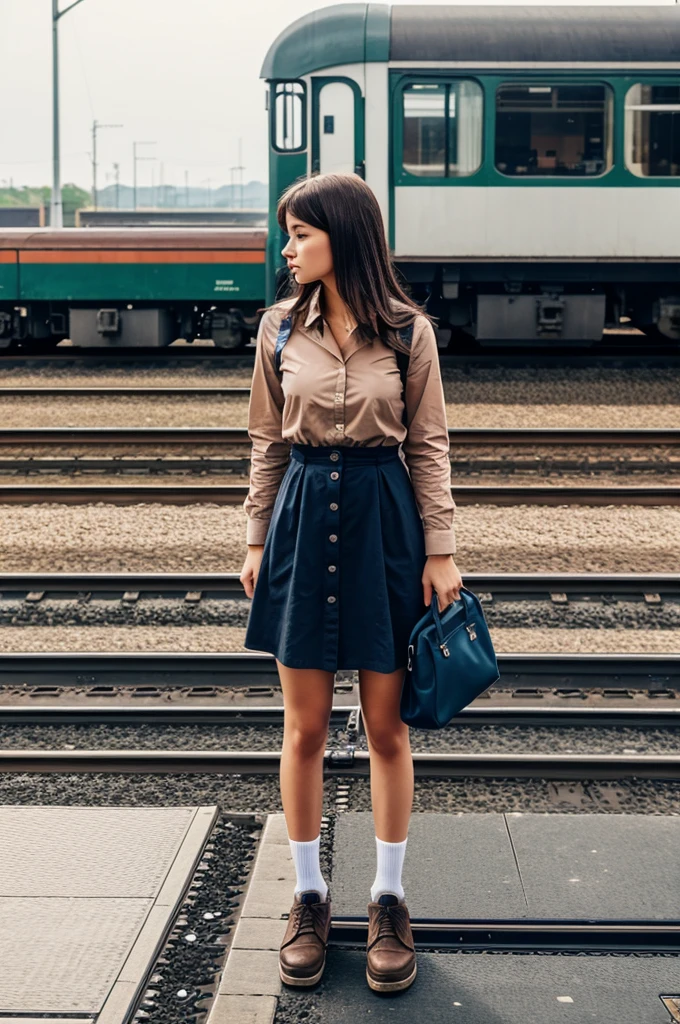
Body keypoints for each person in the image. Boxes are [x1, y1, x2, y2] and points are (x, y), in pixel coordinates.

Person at [239, 171, 462, 994]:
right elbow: (266, 442)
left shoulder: (408, 334)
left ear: (344, 236)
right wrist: (257, 536)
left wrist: (440, 550)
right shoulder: (274, 331)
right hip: (301, 514)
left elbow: (429, 446)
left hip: (384, 522)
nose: (288, 249)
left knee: (386, 727)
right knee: (302, 728)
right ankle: (306, 897)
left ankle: (389, 900)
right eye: (287, 234)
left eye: (301, 234)